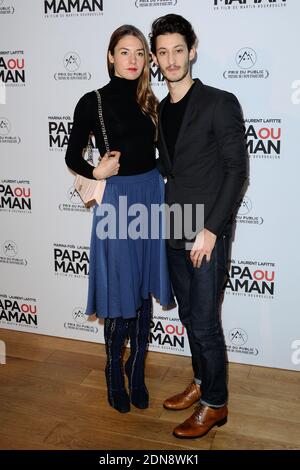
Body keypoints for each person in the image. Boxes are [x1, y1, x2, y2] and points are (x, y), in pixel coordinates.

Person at [65, 25, 173, 414]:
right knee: (119, 288)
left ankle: (138, 369)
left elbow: (161, 156)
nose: (133, 60)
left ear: (147, 61)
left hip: (150, 196)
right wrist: (96, 173)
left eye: (140, 54)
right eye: (124, 52)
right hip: (118, 202)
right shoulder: (91, 102)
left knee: (143, 286)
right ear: (111, 56)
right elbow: (73, 155)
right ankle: (114, 372)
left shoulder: (152, 102)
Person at [150, 14, 247, 438]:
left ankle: (215, 404)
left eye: (178, 50)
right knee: (190, 317)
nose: (171, 60)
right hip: (175, 223)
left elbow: (235, 170)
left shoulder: (219, 102)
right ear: (156, 58)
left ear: (192, 50)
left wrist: (211, 229)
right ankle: (203, 381)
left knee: (206, 321)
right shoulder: (159, 109)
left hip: (205, 229)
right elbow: (167, 167)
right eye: (163, 52)